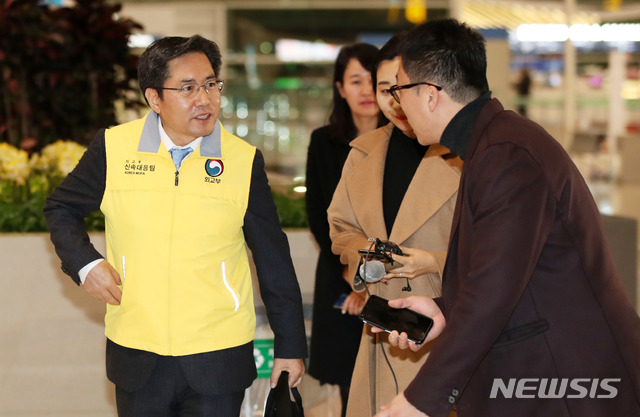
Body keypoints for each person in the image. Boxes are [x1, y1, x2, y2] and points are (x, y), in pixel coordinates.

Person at [371, 19, 640, 417]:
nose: (396, 103)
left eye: (399, 89)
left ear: (429, 95)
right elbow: (508, 273)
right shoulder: (495, 146)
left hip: (567, 384)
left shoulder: (506, 155)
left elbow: (493, 290)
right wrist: (443, 309)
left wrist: (418, 400)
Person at [44, 35, 307, 417]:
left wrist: (290, 346)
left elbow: (273, 258)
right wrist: (86, 264)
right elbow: (61, 206)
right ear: (154, 98)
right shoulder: (114, 148)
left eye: (211, 84)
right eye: (187, 88)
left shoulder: (242, 160)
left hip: (217, 356)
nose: (205, 99)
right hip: (138, 353)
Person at [326, 33, 461, 417]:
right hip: (382, 322)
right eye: (386, 89)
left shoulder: (463, 155)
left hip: (443, 322)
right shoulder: (363, 152)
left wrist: (433, 262)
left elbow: (494, 247)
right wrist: (366, 257)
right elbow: (341, 228)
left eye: (403, 89)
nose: (395, 101)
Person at [305, 42, 383, 416]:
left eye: (373, 80)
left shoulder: (408, 139)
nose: (366, 90)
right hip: (340, 273)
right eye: (355, 81)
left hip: (392, 276)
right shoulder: (324, 142)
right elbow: (319, 215)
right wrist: (352, 275)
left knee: (389, 373)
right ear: (340, 88)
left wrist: (372, 279)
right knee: (345, 376)